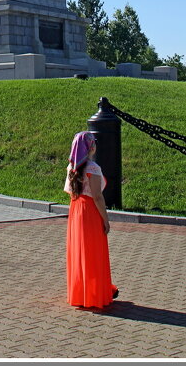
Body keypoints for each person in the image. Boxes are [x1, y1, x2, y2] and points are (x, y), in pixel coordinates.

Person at [64, 131, 118, 308]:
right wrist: (106, 219)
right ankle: (95, 292)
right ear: (90, 147)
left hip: (76, 209)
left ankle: (80, 292)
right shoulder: (92, 168)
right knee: (93, 250)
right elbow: (97, 196)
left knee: (79, 250)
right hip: (89, 211)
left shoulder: (71, 168)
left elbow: (71, 191)